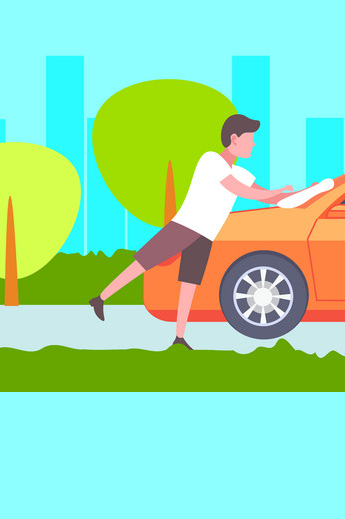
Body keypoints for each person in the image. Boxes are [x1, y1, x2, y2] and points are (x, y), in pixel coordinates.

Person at [88, 114, 293, 349]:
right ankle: (101, 298)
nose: (254, 144)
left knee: (189, 283)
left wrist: (305, 194)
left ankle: (179, 336)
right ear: (234, 139)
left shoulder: (241, 173)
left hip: (206, 234)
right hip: (185, 225)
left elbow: (268, 197)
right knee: (143, 263)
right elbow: (242, 191)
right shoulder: (211, 160)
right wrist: (274, 192)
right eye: (250, 138)